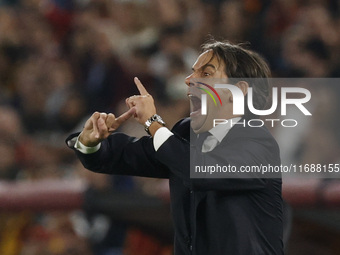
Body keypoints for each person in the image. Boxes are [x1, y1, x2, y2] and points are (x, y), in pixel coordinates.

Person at [66, 40, 283, 255]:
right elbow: (124, 155)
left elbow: (203, 172)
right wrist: (91, 142)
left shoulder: (258, 143)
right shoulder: (186, 134)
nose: (189, 80)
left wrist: (153, 122)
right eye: (192, 72)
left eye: (206, 74)